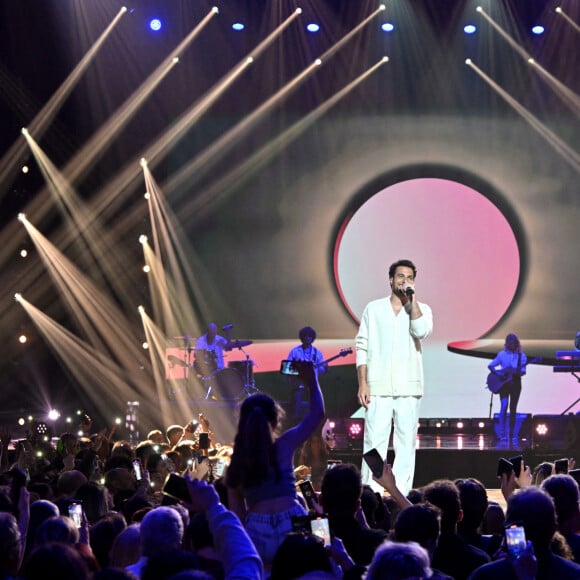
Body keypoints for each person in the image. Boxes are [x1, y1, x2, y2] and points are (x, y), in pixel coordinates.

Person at [225, 361, 324, 568]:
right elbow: (317, 414)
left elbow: (237, 518)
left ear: (242, 421)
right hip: (292, 519)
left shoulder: (236, 463)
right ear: (275, 420)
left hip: (255, 527)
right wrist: (311, 379)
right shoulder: (284, 445)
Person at [356, 258, 433, 495]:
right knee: (374, 442)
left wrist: (412, 302)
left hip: (409, 387)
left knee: (405, 444)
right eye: (400, 276)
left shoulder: (422, 309)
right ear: (391, 279)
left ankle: (400, 494)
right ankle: (371, 494)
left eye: (410, 278)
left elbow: (421, 331)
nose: (404, 281)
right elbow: (362, 345)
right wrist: (362, 383)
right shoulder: (374, 308)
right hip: (377, 386)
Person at [487, 333, 528, 443]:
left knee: (513, 408)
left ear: (516, 343)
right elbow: (490, 365)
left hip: (516, 384)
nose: (511, 344)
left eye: (513, 342)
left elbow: (523, 372)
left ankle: (511, 434)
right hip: (504, 384)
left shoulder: (521, 356)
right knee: (504, 406)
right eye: (509, 342)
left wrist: (518, 372)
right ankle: (502, 433)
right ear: (506, 343)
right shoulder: (502, 354)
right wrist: (498, 374)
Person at [286, 326, 328, 425]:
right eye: (305, 336)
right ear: (302, 337)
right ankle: (295, 424)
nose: (307, 338)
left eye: (309, 336)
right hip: (298, 384)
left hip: (312, 384)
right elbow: (287, 368)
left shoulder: (317, 353)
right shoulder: (295, 351)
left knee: (314, 408)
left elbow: (321, 371)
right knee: (296, 408)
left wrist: (325, 368)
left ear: (312, 338)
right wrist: (298, 369)